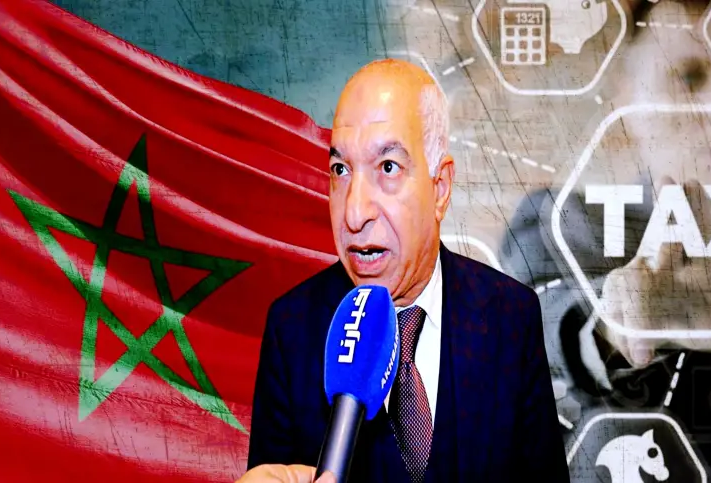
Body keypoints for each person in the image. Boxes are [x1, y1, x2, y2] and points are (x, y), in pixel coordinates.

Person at [500, 1, 711, 482]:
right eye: (689, 77)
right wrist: (613, 325)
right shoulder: (560, 226)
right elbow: (530, 325)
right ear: (626, 96)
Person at [240, 59, 569, 483]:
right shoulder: (292, 328)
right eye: (340, 170)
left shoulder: (510, 317)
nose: (354, 213)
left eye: (388, 167)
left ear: (440, 189)